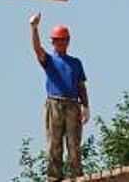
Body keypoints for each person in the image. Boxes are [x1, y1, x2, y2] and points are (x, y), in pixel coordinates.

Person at [29, 13, 90, 181]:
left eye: (63, 40)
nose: (60, 43)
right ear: (53, 42)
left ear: (68, 41)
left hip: (73, 105)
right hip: (54, 103)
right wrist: (34, 28)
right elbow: (37, 49)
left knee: (74, 146)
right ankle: (55, 178)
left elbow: (81, 87)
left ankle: (77, 177)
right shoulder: (49, 60)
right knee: (54, 145)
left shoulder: (76, 63)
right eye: (57, 40)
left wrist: (86, 107)